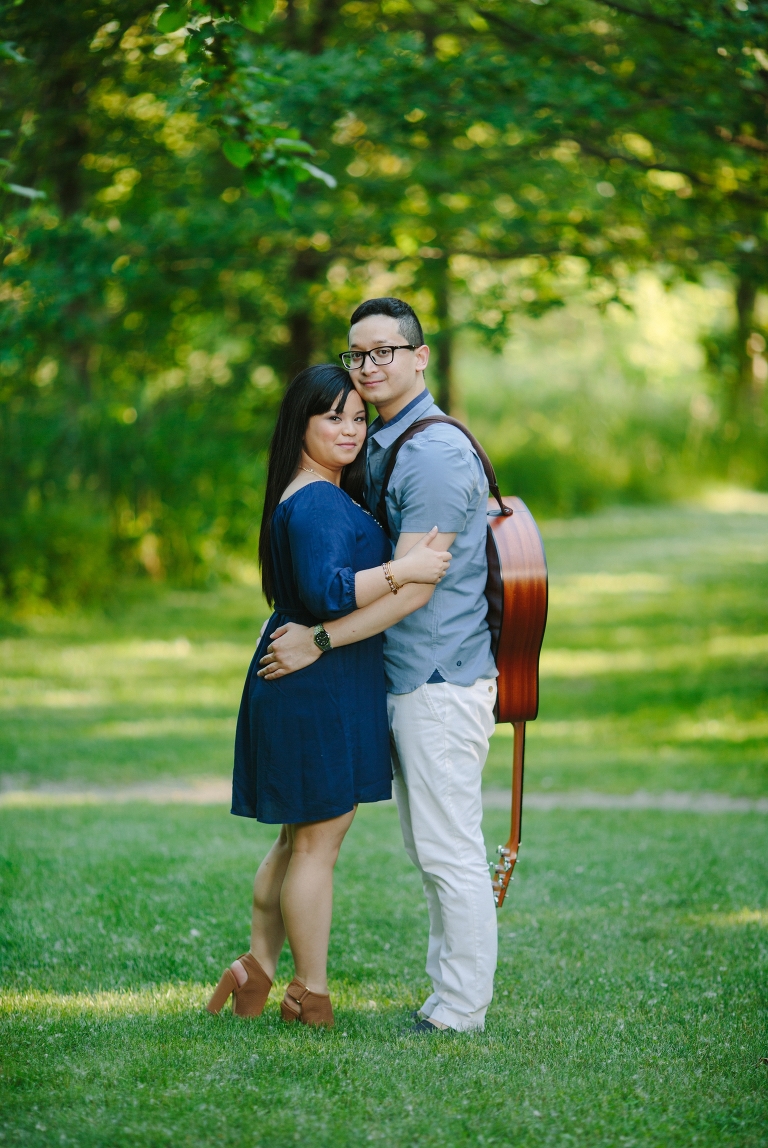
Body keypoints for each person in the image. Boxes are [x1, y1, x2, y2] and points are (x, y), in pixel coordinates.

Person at [258, 298, 499, 1034]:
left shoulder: (432, 454)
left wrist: (320, 640)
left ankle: (461, 1009)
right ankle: (444, 995)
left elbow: (413, 587)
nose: (368, 366)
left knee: (448, 849)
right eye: (358, 353)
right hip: (404, 676)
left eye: (384, 351)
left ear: (419, 358)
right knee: (428, 849)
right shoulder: (386, 441)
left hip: (438, 677)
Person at [206, 362, 452, 1028]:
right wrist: (406, 569)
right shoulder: (315, 499)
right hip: (313, 683)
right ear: (302, 424)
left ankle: (256, 967)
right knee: (317, 844)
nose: (349, 429)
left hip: (310, 677)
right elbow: (328, 591)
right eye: (332, 417)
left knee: (298, 841)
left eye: (358, 417)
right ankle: (308, 994)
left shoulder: (316, 490)